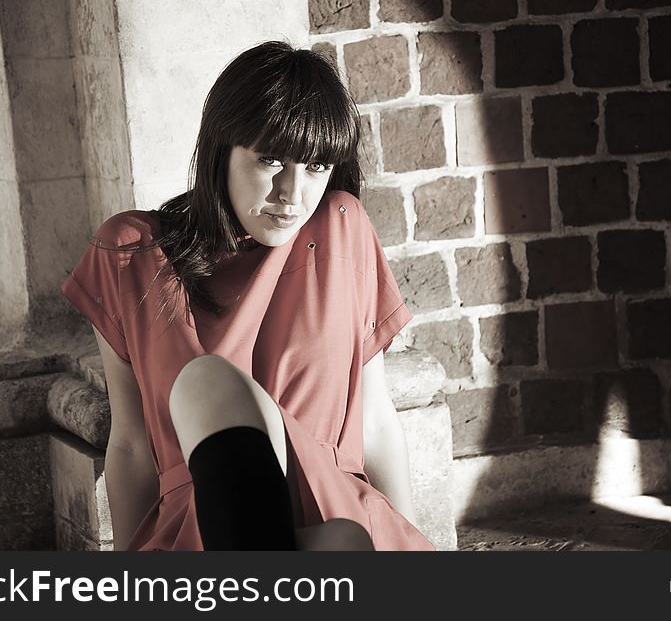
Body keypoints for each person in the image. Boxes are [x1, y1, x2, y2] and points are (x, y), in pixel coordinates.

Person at [60, 41, 435, 551]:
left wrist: (411, 543)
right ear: (221, 148)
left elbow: (374, 420)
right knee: (209, 385)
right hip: (203, 527)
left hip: (332, 498)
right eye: (270, 160)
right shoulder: (132, 253)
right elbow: (130, 443)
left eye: (317, 167)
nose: (292, 193)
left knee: (209, 384)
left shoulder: (339, 226)